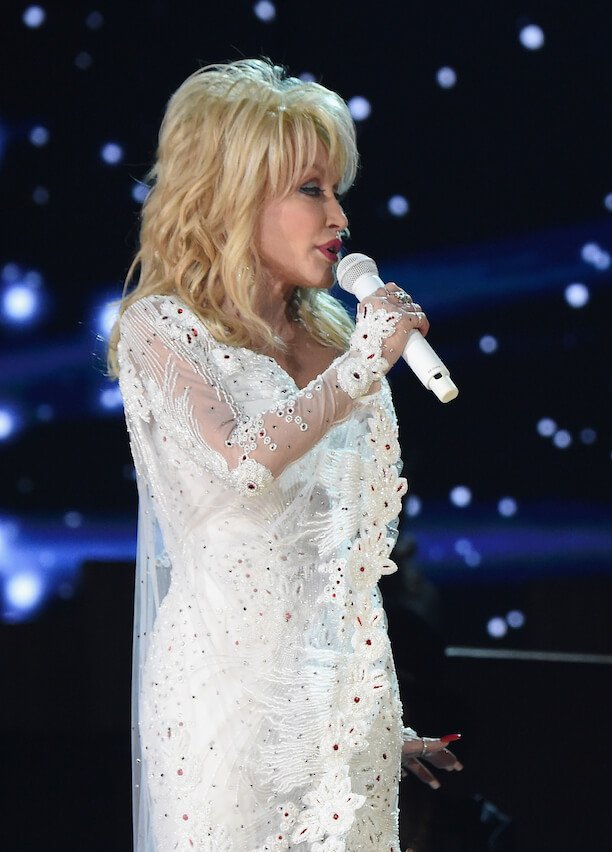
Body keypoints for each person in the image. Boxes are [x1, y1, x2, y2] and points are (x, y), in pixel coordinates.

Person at [107, 59, 461, 851]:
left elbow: (348, 564)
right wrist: (363, 366)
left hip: (347, 718)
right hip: (229, 713)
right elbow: (242, 460)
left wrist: (385, 723)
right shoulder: (161, 332)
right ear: (232, 196)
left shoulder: (337, 337)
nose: (338, 215)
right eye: (311, 190)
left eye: (337, 190)